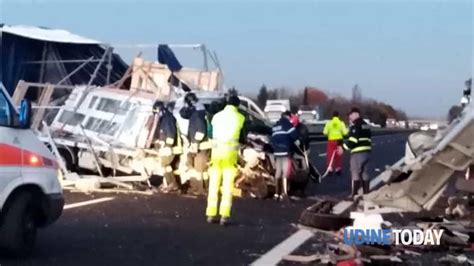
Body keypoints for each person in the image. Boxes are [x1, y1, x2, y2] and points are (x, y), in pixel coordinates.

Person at [206, 95, 245, 226]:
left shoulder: (216, 117)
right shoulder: (240, 118)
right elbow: (243, 138)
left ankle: (211, 214)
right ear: (237, 106)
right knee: (227, 187)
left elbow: (210, 134)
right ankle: (224, 216)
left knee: (213, 185)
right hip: (230, 157)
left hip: (216, 155)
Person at [183, 92, 212, 195]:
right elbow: (183, 114)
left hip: (201, 146)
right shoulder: (201, 111)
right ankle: (207, 188)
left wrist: (195, 143)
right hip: (205, 145)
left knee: (199, 169)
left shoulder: (197, 114)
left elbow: (200, 131)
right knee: (203, 170)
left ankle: (199, 190)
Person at [152, 101, 183, 193]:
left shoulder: (167, 119)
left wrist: (167, 146)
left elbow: (170, 135)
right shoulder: (166, 118)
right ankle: (169, 183)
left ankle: (173, 184)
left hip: (169, 148)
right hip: (168, 147)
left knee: (165, 165)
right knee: (165, 165)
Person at [343, 107, 372, 198]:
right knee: (365, 173)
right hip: (367, 153)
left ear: (356, 114)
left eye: (350, 115)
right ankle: (366, 194)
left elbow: (353, 140)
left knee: (355, 173)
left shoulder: (356, 126)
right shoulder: (366, 125)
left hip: (358, 153)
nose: (349, 117)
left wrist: (343, 148)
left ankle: (354, 195)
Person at [271, 111, 299, 200]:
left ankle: (276, 194)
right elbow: (294, 135)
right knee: (285, 172)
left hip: (276, 151)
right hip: (285, 150)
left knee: (278, 171)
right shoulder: (287, 124)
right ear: (287, 117)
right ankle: (284, 193)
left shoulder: (275, 126)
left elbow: (272, 139)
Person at [323, 111, 348, 176]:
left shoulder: (329, 123)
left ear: (332, 116)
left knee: (330, 155)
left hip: (331, 140)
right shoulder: (341, 123)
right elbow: (345, 133)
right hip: (339, 141)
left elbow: (325, 132)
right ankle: (338, 169)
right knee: (338, 155)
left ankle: (330, 169)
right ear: (338, 116)